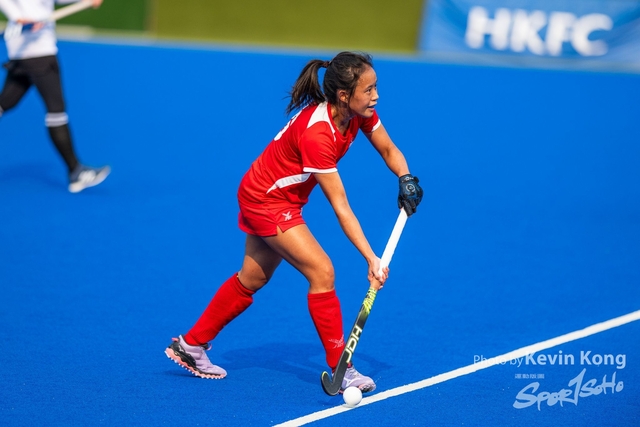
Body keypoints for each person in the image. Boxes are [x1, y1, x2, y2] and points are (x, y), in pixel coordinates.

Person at [165, 51, 423, 393]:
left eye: (375, 87)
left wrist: (405, 178)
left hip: (269, 195)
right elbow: (341, 206)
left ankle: (192, 345)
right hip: (266, 201)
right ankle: (341, 368)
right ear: (344, 95)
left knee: (252, 278)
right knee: (322, 271)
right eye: (369, 89)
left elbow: (389, 150)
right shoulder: (319, 135)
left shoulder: (356, 113)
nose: (376, 96)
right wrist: (371, 258)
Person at [0, 0, 110, 193]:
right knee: (56, 111)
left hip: (22, 53)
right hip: (39, 54)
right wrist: (18, 18)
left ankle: (76, 172)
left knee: (4, 104)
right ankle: (76, 172)